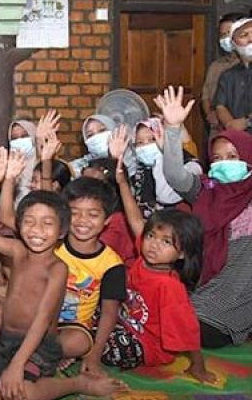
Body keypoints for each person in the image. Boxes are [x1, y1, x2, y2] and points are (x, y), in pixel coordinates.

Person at [0, 149, 124, 400]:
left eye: (47, 224)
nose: (36, 231)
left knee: (27, 393)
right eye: (29, 222)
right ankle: (0, 380)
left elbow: (42, 319)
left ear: (61, 231)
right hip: (5, 340)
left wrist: (18, 365)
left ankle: (76, 384)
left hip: (38, 347)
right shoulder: (18, 251)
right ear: (19, 226)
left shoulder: (58, 268)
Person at [0, 168, 127, 377]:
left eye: (93, 215)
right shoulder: (50, 240)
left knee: (80, 341)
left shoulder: (112, 264)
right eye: (75, 213)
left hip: (70, 328)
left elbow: (109, 313)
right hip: (32, 318)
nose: (83, 220)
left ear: (107, 220)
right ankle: (28, 350)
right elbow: (8, 216)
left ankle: (25, 349)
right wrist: (8, 177)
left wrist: (94, 355)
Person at [105, 148, 217, 383]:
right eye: (151, 237)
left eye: (166, 242)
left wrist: (198, 367)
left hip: (146, 346)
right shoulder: (145, 258)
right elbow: (136, 219)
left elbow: (188, 331)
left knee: (101, 344)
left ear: (182, 253)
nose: (154, 245)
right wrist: (122, 181)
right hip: (124, 323)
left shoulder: (169, 288)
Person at [160, 85, 252, 348]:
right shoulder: (206, 191)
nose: (224, 163)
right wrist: (173, 128)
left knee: (175, 330)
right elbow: (175, 175)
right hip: (200, 294)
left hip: (233, 307)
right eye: (217, 158)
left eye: (233, 157)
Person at [120, 117, 202, 218]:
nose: (146, 146)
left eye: (152, 139)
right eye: (140, 143)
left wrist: (163, 154)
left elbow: (166, 197)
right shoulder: (139, 172)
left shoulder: (190, 165)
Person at [202, 13, 245, 135]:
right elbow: (206, 97)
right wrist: (210, 114)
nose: (226, 38)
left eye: (229, 33)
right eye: (222, 35)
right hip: (219, 132)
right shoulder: (217, 66)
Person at [215, 17, 252, 132]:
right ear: (232, 43)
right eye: (244, 35)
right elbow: (220, 106)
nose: (251, 39)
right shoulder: (228, 76)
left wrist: (247, 122)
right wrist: (230, 125)